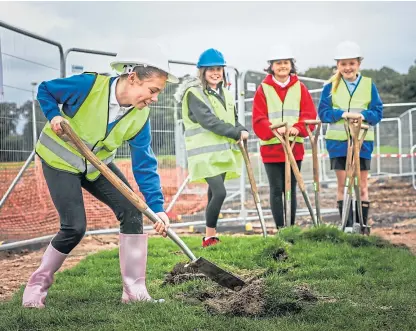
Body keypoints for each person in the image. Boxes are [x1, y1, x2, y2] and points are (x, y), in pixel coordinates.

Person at [22, 39, 178, 308]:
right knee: (74, 227)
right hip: (60, 161)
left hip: (97, 165)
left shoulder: (141, 116)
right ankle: (36, 287)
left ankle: (134, 292)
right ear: (133, 78)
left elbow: (144, 162)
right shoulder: (88, 87)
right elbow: (46, 90)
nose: (154, 98)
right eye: (152, 90)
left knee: (132, 210)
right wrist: (54, 116)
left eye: (158, 93)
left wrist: (157, 208)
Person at [174, 48, 248, 247]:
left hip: (220, 153)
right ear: (202, 72)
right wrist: (235, 133)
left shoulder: (225, 93)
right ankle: (210, 236)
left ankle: (209, 236)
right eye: (211, 69)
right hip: (204, 155)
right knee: (220, 192)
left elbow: (232, 120)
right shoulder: (194, 93)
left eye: (219, 69)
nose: (216, 73)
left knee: (213, 193)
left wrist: (242, 129)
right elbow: (209, 122)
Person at [318, 41, 383, 232]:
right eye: (343, 64)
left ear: (358, 64)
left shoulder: (368, 85)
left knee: (362, 185)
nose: (347, 68)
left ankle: (362, 226)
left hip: (362, 142)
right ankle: (346, 226)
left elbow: (378, 112)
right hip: (338, 143)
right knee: (344, 184)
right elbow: (323, 113)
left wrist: (363, 116)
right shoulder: (330, 86)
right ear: (338, 65)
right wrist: (342, 114)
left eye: (351, 63)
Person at [252, 45, 317, 229]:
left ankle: (291, 227)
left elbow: (308, 114)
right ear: (271, 66)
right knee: (276, 189)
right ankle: (281, 228)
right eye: (278, 63)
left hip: (294, 148)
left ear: (291, 65)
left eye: (286, 63)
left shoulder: (300, 88)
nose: (282, 66)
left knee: (291, 189)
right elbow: (258, 118)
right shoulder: (263, 89)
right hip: (271, 148)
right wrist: (273, 129)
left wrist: (298, 128)